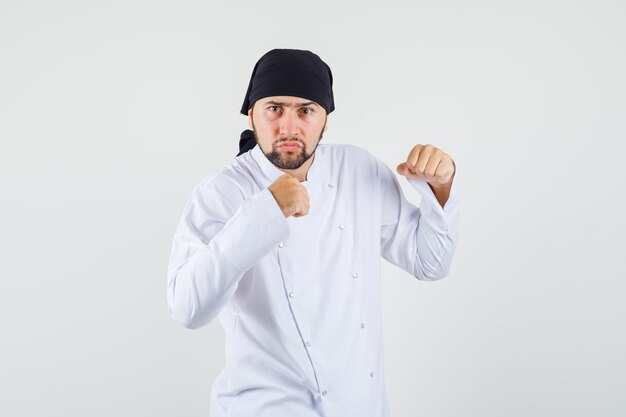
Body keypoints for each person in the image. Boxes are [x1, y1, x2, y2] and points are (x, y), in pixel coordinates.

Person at [166, 48, 460, 417]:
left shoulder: (358, 170)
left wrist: (442, 186)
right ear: (251, 114)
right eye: (274, 108)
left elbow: (429, 262)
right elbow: (187, 309)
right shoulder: (221, 192)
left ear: (325, 120)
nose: (289, 128)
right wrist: (264, 212)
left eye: (306, 110)